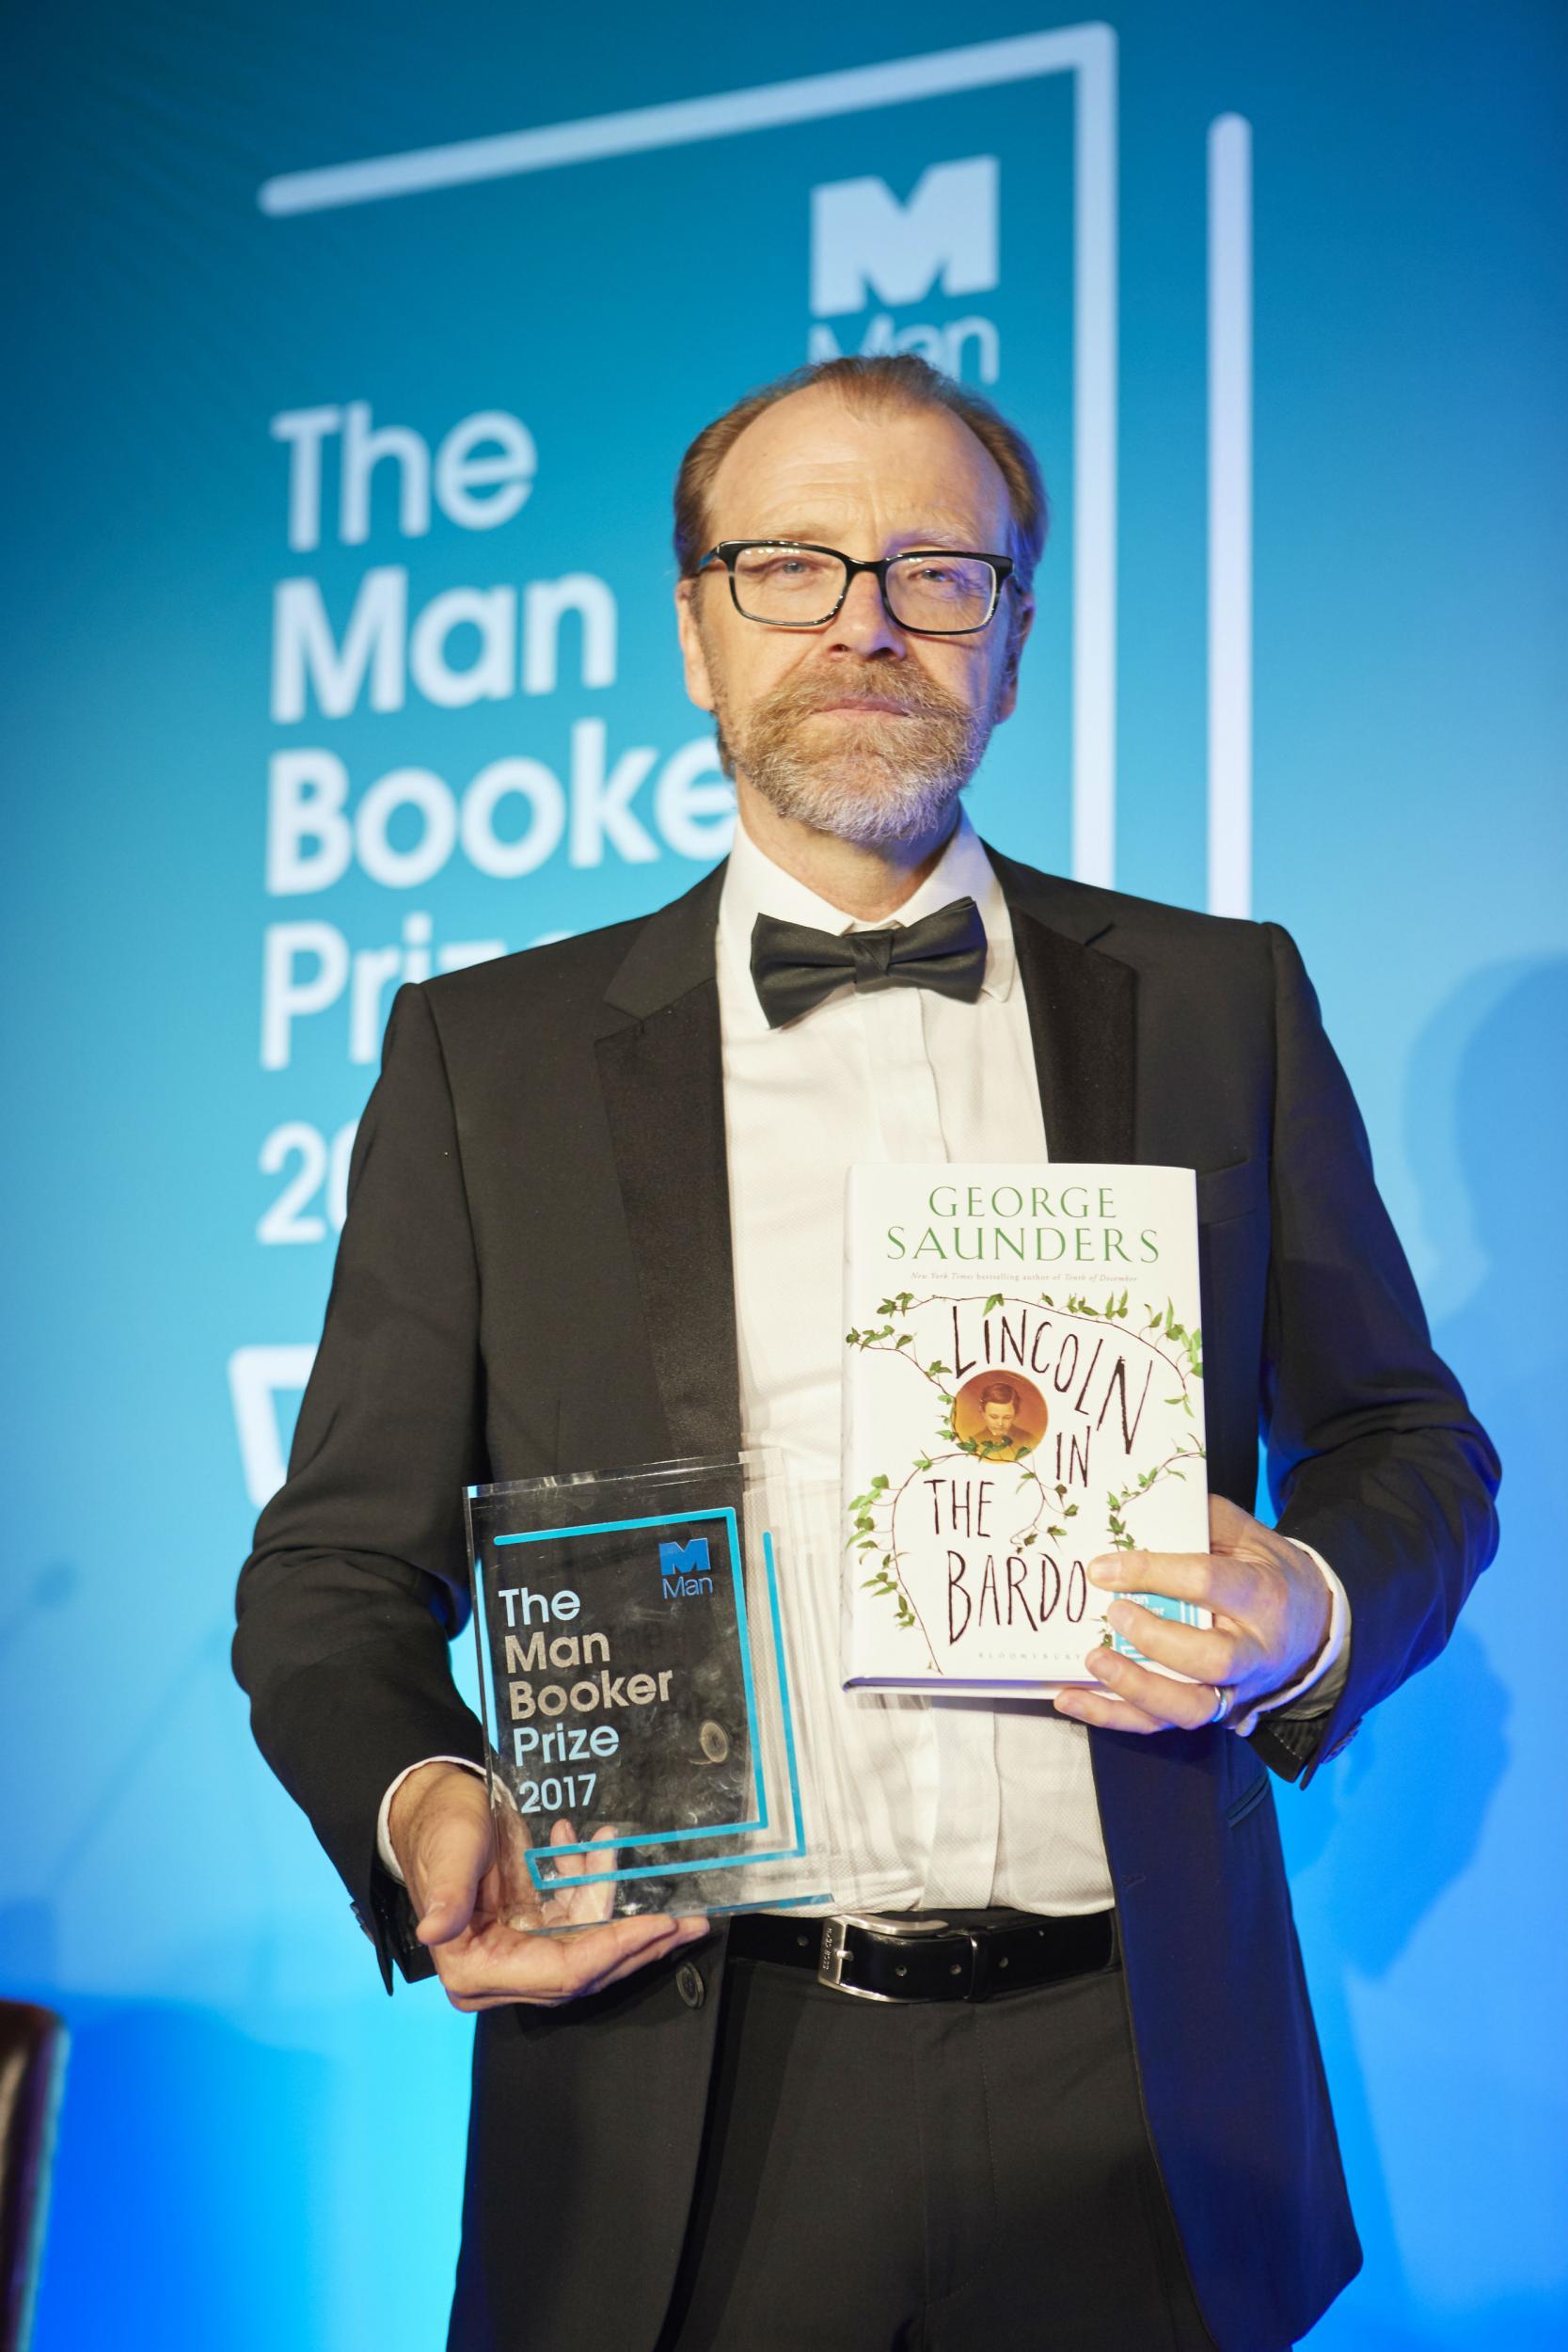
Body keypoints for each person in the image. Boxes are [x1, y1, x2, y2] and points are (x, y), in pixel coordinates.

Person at [233, 353, 1499, 2352]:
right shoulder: (488, 1060)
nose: (864, 624)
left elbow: (1409, 1442)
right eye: (793, 566)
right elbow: (330, 1578)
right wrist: (425, 1795)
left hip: (1144, 2085)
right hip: (680, 2082)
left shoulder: (1215, 998)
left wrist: (1315, 1602)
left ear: (1013, 642)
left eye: (937, 573)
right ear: (696, 632)